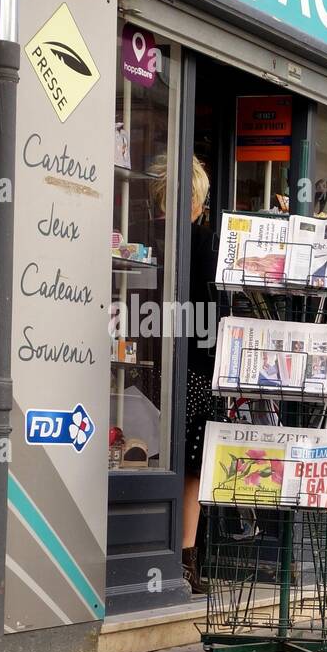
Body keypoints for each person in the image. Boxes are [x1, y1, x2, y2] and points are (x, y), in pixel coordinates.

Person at [149, 153, 216, 592]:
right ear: (195, 201)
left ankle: (151, 549)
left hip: (147, 363)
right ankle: (187, 559)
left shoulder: (144, 237)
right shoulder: (206, 245)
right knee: (192, 465)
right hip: (196, 367)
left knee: (147, 453)